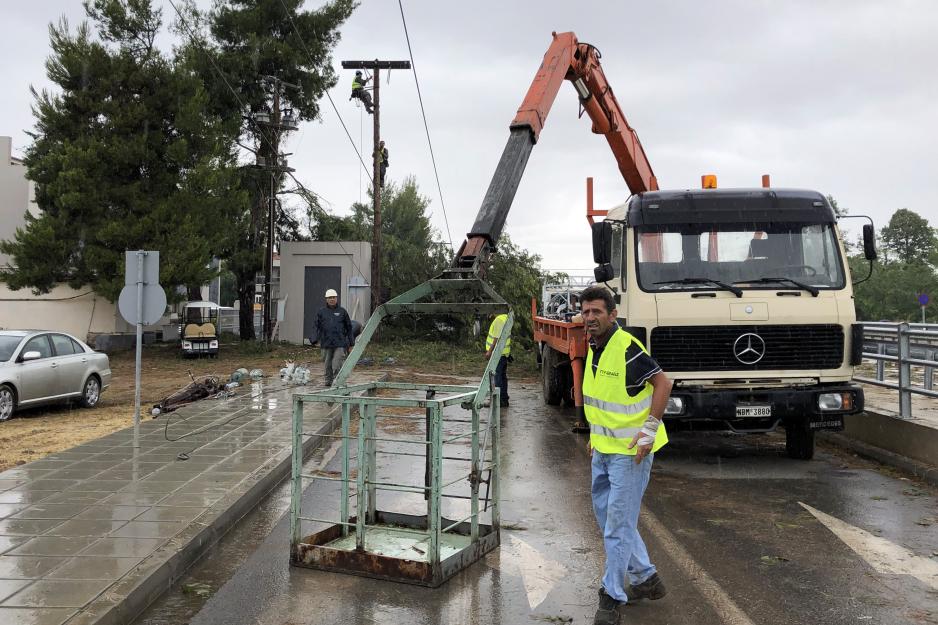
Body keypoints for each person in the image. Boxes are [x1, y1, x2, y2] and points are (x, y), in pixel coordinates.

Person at [579, 285, 672, 625]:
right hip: (603, 449)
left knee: (617, 525)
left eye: (597, 312)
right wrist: (595, 434)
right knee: (608, 518)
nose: (590, 318)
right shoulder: (594, 345)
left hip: (630, 453)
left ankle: (611, 597)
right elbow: (601, 397)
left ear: (612, 315)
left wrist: (649, 430)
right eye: (586, 312)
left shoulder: (627, 347)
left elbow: (663, 383)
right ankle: (646, 578)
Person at [310, 288, 353, 387]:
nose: (332, 299)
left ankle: (339, 381)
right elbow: (316, 326)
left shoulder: (342, 312)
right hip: (326, 343)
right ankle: (328, 381)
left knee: (337, 363)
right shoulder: (321, 312)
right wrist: (314, 340)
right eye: (329, 298)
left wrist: (351, 343)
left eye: (333, 297)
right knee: (327, 364)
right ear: (326, 299)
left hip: (340, 343)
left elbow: (349, 327)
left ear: (336, 298)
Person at [484, 312, 511, 407]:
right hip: (503, 353)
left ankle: (497, 401)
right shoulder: (506, 317)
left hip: (497, 354)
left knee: (497, 377)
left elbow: (496, 338)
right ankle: (503, 399)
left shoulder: (499, 320)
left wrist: (489, 351)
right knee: (502, 377)